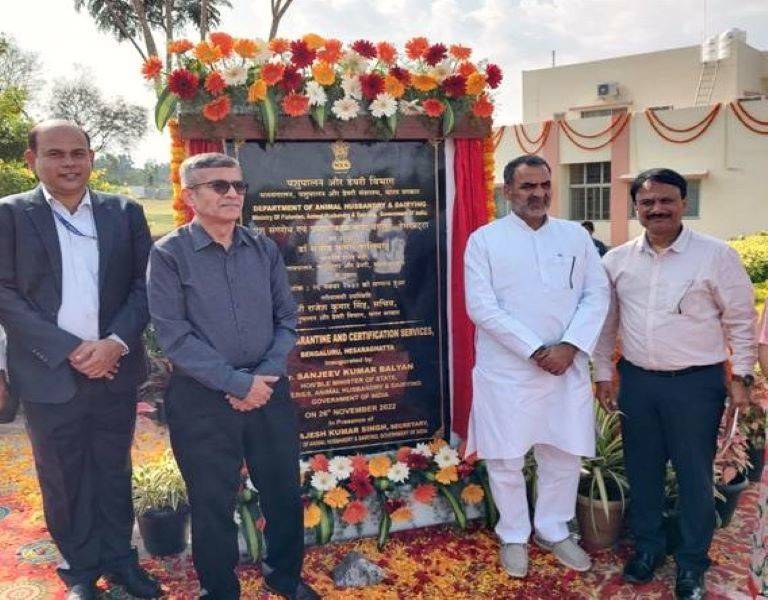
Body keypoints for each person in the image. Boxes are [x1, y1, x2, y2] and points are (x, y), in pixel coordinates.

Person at [147, 153, 318, 600]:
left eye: (238, 186)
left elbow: (288, 320)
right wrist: (237, 383)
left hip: (268, 391)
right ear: (190, 196)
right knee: (212, 501)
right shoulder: (168, 255)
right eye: (218, 185)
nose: (231, 194)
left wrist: (262, 378)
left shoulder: (262, 248)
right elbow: (175, 338)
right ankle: (219, 589)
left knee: (282, 492)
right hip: (202, 399)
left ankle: (284, 576)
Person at [0, 120, 158, 600]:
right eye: (55, 154)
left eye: (77, 153)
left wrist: (114, 343)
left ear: (92, 157)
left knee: (113, 468)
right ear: (33, 160)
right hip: (49, 371)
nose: (68, 162)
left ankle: (122, 560)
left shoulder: (123, 212)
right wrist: (71, 348)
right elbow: (4, 293)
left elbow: (145, 285)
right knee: (63, 475)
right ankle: (81, 570)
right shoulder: (9, 215)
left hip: (114, 366)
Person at [594, 168, 757, 600]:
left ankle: (691, 564)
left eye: (666, 200)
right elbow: (606, 325)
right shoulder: (617, 260)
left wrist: (741, 377)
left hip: (696, 386)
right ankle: (648, 549)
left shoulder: (715, 256)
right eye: (647, 203)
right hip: (639, 383)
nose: (657, 209)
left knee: (693, 477)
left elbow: (740, 320)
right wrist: (603, 374)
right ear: (636, 209)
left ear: (684, 203)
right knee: (642, 472)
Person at [464, 155, 610, 578]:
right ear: (507, 190)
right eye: (527, 186)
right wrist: (534, 350)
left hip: (565, 365)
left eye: (545, 185)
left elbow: (596, 295)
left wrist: (569, 346)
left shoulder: (575, 237)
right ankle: (513, 533)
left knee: (562, 451)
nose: (539, 194)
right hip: (508, 371)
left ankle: (552, 528)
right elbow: (481, 307)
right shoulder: (485, 240)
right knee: (505, 456)